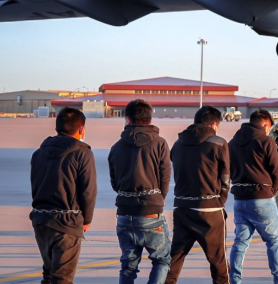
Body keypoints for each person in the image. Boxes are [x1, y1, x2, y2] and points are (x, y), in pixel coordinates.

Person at [30, 107, 97, 284]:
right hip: (66, 223)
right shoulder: (82, 153)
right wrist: (87, 219)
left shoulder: (39, 153)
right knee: (62, 279)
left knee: (49, 274)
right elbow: (88, 190)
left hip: (41, 221)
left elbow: (35, 185)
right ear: (81, 129)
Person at [109, 100, 172, 284]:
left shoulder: (116, 147)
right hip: (151, 210)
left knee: (128, 265)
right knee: (161, 260)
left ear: (127, 119)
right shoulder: (160, 143)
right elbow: (165, 178)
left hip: (124, 211)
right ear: (150, 119)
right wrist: (157, 199)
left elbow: (115, 183)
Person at [166, 106, 230, 284]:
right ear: (215, 124)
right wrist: (220, 199)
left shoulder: (178, 143)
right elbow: (225, 177)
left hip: (182, 207)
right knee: (218, 261)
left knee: (174, 259)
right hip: (209, 210)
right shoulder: (219, 143)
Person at [229, 110, 278, 284]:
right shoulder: (266, 141)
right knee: (273, 241)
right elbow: (276, 171)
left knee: (240, 243)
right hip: (262, 198)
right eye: (269, 128)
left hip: (240, 199)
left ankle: (235, 280)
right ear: (264, 125)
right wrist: (271, 191)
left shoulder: (232, 142)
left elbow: (229, 169)